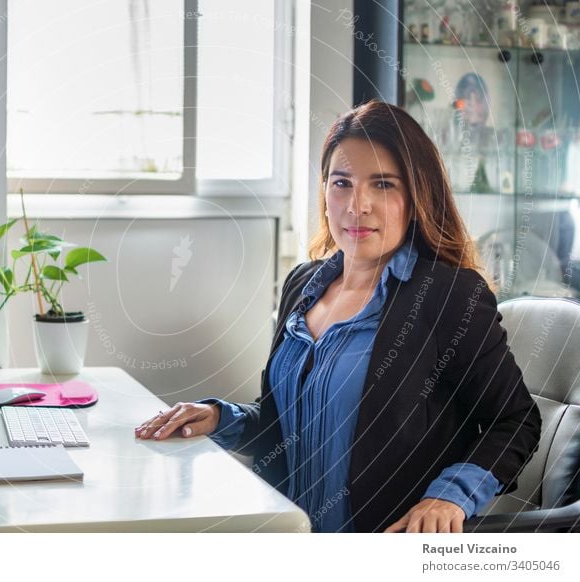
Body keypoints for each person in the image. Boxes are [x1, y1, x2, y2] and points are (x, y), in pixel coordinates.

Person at [134, 100, 541, 533]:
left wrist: (449, 498)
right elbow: (289, 428)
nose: (357, 205)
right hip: (285, 538)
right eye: (342, 183)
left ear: (418, 195)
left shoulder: (447, 296)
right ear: (325, 190)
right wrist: (222, 418)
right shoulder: (302, 286)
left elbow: (516, 421)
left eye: (383, 185)